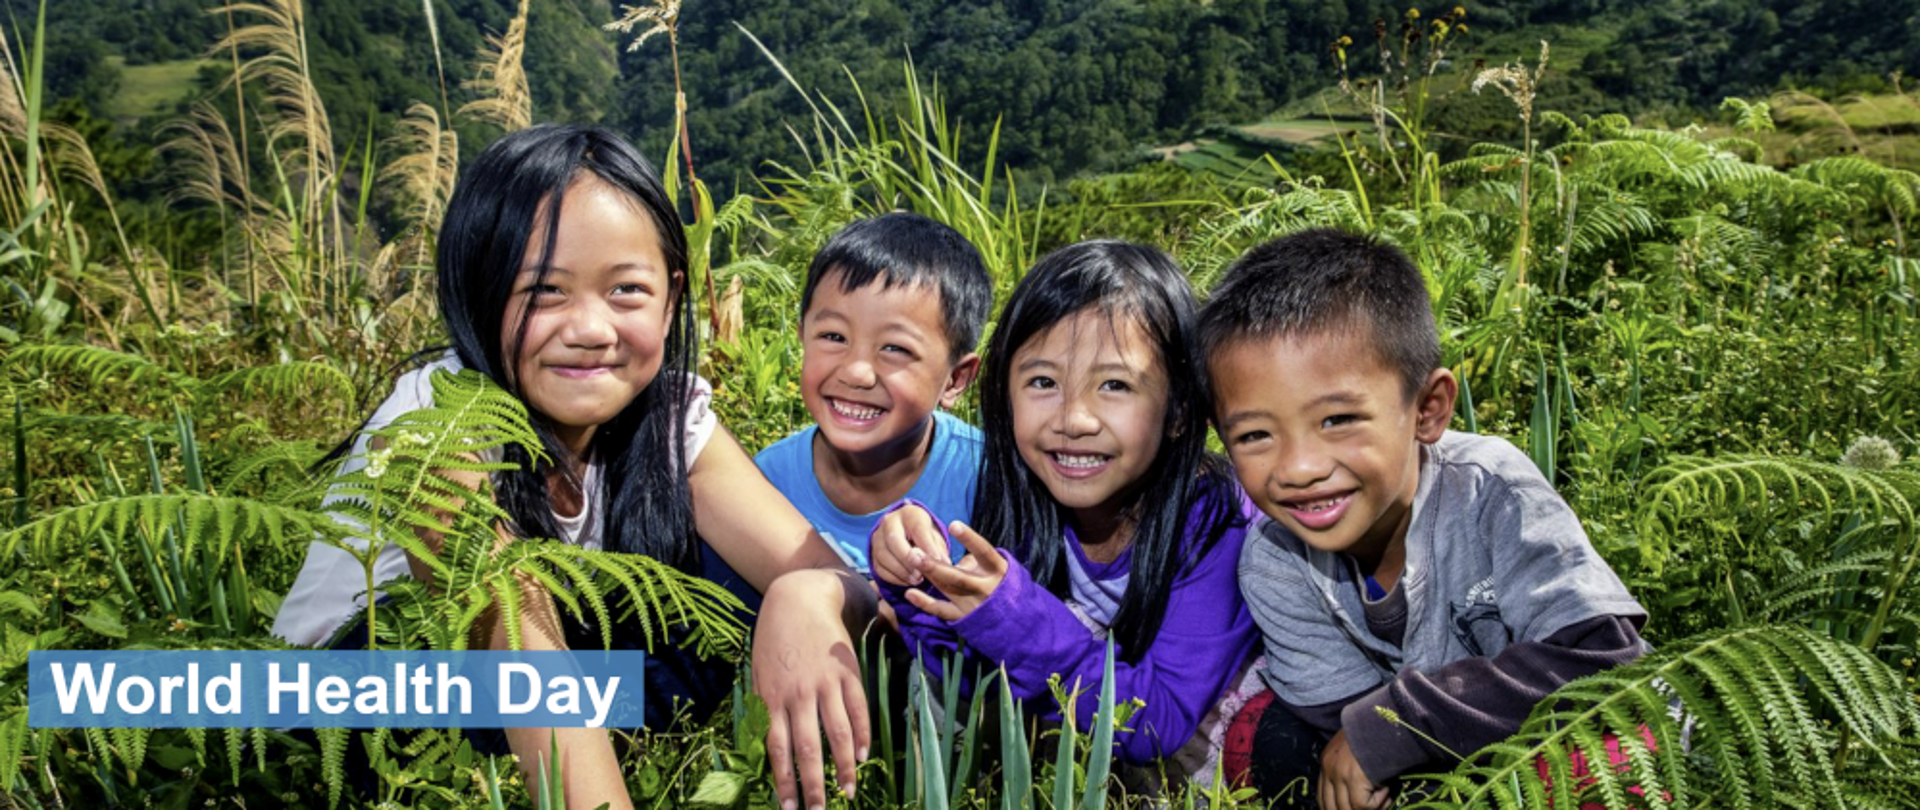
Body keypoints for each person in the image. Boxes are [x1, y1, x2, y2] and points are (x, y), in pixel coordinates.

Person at [271, 124, 874, 810]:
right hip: (369, 703)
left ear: (672, 298)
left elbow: (834, 579)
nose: (591, 328)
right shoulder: (438, 421)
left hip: (556, 681)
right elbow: (513, 634)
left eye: (626, 292)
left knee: (737, 591)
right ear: (479, 294)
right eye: (543, 293)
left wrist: (809, 595)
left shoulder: (672, 417)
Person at [1199, 228, 1650, 810]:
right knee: (1261, 738)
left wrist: (1397, 721)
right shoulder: (1276, 558)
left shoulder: (1490, 491)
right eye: (1256, 434)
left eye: (1337, 419)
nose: (1300, 468)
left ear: (1427, 408)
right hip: (1434, 752)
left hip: (1542, 733)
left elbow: (1604, 657)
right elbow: (1336, 716)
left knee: (1608, 760)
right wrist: (1380, 739)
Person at [870, 240, 1261, 772]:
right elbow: (973, 674)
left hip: (1220, 749)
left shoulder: (1216, 523)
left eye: (1115, 385)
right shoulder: (1025, 501)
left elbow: (1157, 721)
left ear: (1179, 412)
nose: (1074, 419)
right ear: (1005, 398)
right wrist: (920, 581)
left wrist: (1013, 614)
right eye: (1043, 382)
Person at [754, 213, 991, 571]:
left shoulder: (988, 479)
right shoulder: (766, 483)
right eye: (834, 337)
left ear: (956, 379)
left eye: (895, 348)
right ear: (802, 336)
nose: (856, 373)